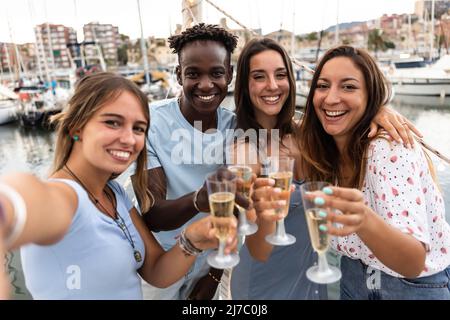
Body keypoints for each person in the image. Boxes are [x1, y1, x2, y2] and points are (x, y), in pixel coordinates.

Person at [0, 72, 237, 300]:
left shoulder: (115, 194)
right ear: (76, 128)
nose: (128, 139)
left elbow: (157, 271)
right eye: (113, 122)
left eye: (138, 128)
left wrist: (194, 238)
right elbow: (25, 197)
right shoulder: (66, 197)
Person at [231, 38, 426, 300]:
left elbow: (341, 113)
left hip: (316, 275)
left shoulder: (309, 135)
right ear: (245, 85)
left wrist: (377, 111)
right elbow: (258, 250)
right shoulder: (244, 152)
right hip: (266, 283)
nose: (273, 85)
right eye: (258, 76)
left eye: (280, 74)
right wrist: (266, 213)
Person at [297, 45, 450, 299]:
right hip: (352, 277)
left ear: (371, 96)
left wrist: (362, 218)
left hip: (409, 288)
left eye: (348, 87)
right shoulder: (322, 147)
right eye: (323, 86)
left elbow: (413, 262)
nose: (331, 98)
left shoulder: (388, 150)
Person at [136, 23, 244, 300]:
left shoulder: (236, 128)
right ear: (178, 75)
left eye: (217, 73)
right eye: (193, 74)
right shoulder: (152, 122)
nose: (206, 84)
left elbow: (234, 209)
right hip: (161, 261)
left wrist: (212, 276)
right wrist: (198, 199)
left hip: (215, 257)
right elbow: (153, 215)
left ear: (229, 75)